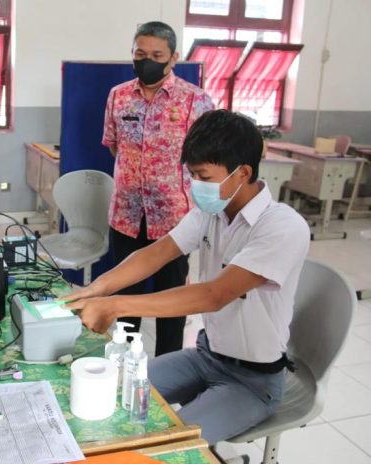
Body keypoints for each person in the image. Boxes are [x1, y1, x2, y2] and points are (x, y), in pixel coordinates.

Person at [65, 110, 310, 444]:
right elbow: (156, 253)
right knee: (108, 391)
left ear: (242, 173)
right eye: (192, 175)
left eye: (203, 176)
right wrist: (94, 290)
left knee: (164, 444)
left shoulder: (282, 226)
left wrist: (114, 305)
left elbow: (214, 295)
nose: (195, 186)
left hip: (252, 382)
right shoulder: (212, 213)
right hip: (205, 357)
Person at [102, 21, 214, 356]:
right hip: (126, 216)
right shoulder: (118, 96)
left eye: (156, 55)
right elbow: (113, 145)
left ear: (173, 57)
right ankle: (124, 366)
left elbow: (206, 158)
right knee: (126, 302)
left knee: (171, 303)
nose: (146, 60)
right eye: (140, 54)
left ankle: (168, 373)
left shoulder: (196, 101)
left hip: (174, 221)